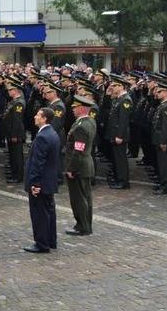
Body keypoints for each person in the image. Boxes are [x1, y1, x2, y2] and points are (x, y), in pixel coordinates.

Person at [23, 107, 61, 253]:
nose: (34, 117)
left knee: (40, 214)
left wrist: (35, 183)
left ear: (44, 118)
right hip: (49, 181)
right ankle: (50, 240)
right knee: (49, 212)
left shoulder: (42, 137)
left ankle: (42, 243)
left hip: (42, 182)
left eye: (38, 115)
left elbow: (38, 162)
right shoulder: (52, 133)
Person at [63, 95, 97, 237]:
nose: (73, 110)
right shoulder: (90, 122)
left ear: (82, 108)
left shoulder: (81, 127)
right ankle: (85, 224)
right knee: (86, 197)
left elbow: (78, 150)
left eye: (75, 107)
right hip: (85, 164)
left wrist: (71, 168)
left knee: (79, 198)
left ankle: (82, 226)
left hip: (79, 166)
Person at [105, 74, 133, 189]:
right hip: (114, 133)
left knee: (121, 159)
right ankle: (118, 178)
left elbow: (123, 120)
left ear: (121, 86)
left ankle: (123, 181)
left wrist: (119, 135)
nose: (113, 87)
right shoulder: (118, 98)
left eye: (115, 85)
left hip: (119, 134)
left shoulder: (125, 100)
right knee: (117, 158)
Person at [3, 81, 27, 183]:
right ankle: (13, 172)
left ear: (16, 90)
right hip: (11, 131)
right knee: (12, 154)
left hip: (16, 133)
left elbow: (17, 120)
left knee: (17, 155)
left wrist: (14, 134)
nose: (8, 91)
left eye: (10, 90)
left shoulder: (19, 103)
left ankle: (18, 176)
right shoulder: (14, 101)